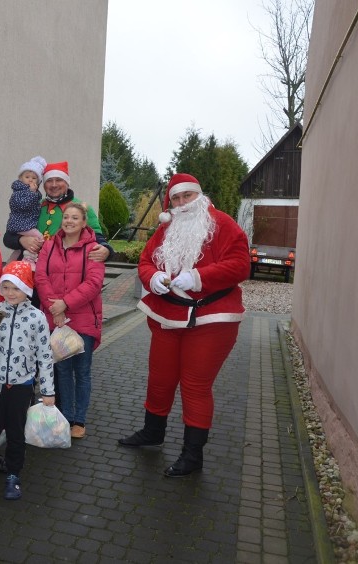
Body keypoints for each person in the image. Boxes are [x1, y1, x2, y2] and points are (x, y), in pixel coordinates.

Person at [117, 173, 251, 478]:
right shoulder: (166, 229)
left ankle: (193, 455)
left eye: (186, 196)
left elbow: (241, 265)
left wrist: (199, 277)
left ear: (199, 196)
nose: (181, 203)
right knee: (160, 378)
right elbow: (146, 261)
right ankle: (153, 431)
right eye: (175, 198)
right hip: (168, 316)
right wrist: (151, 277)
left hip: (212, 318)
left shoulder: (223, 224)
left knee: (195, 386)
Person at [0, 261, 54, 500]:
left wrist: (48, 391)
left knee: (16, 433)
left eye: (16, 288)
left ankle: (13, 475)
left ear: (27, 289)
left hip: (21, 386)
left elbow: (45, 355)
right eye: (6, 287)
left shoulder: (37, 317)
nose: (10, 293)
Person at [36, 202, 105, 439]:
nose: (69, 221)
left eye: (75, 218)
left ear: (84, 222)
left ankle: (80, 420)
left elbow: (94, 283)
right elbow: (41, 277)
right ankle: (65, 415)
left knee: (82, 371)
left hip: (83, 318)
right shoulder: (49, 246)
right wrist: (54, 307)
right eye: (66, 217)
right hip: (55, 317)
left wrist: (64, 304)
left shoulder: (93, 248)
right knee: (62, 370)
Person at [2, 161, 113, 268]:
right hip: (31, 271)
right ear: (44, 184)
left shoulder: (81, 207)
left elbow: (97, 237)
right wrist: (21, 240)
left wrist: (106, 250)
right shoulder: (35, 205)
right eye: (49, 181)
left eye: (59, 180)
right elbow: (8, 236)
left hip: (64, 272)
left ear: (67, 183)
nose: (54, 185)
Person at [5, 155, 46, 266]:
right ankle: (30, 259)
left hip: (24, 224)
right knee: (40, 239)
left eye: (34, 178)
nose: (30, 180)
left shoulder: (34, 193)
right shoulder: (21, 192)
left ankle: (10, 263)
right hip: (22, 225)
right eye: (27, 177)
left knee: (19, 250)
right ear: (21, 178)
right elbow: (22, 205)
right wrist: (32, 193)